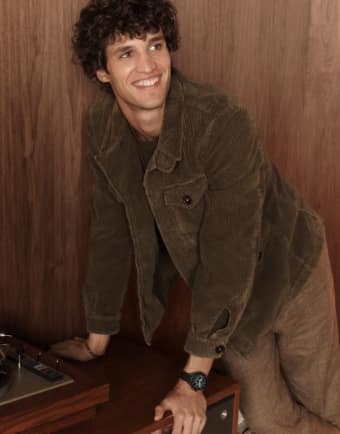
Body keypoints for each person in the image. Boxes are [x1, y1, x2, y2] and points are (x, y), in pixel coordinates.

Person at [51, 1, 340, 433]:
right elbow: (110, 230)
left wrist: (194, 379)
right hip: (234, 305)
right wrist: (97, 340)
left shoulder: (221, 121)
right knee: (267, 422)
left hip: (290, 268)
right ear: (102, 71)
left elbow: (230, 254)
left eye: (155, 45)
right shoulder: (103, 127)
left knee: (327, 403)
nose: (148, 64)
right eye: (126, 52)